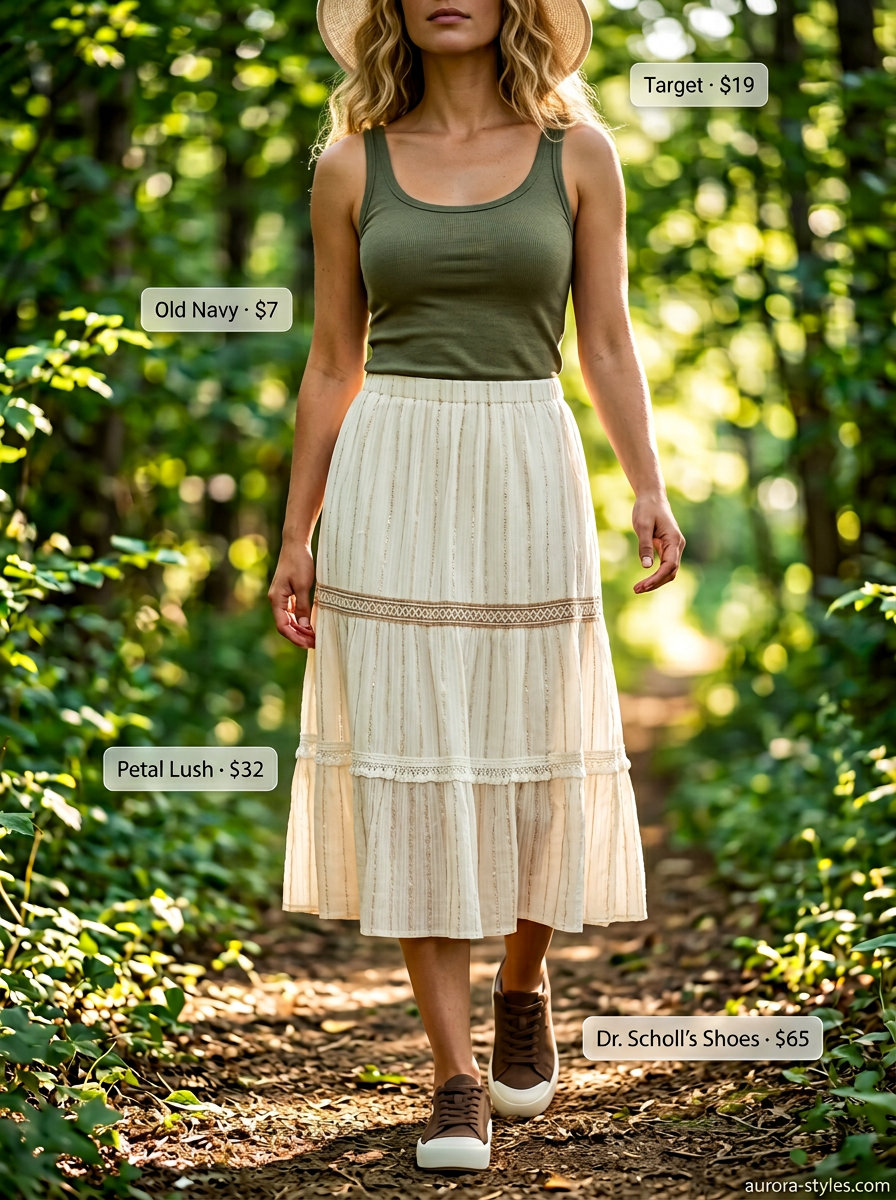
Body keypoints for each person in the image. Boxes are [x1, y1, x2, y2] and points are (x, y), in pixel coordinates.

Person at [269, 0, 685, 1173]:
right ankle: (452, 1076)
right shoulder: (349, 164)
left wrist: (646, 486)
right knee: (412, 754)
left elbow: (603, 338)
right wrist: (295, 531)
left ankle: (521, 977)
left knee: (537, 748)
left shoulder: (578, 151)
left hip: (523, 460)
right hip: (390, 469)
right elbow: (332, 359)